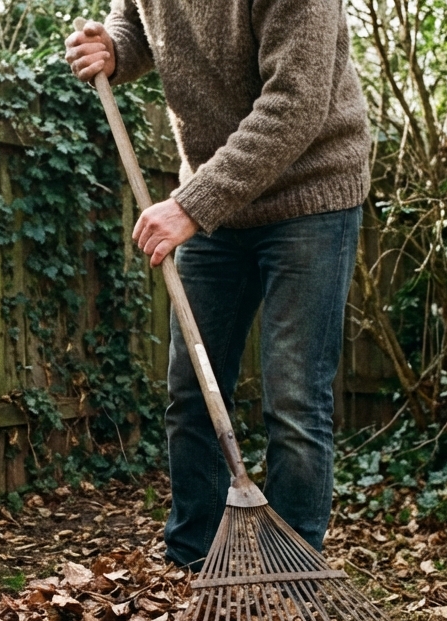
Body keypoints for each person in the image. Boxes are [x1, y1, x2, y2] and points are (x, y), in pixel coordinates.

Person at [64, 0, 371, 568]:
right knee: (192, 394)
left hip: (311, 194)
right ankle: (190, 565)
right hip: (216, 206)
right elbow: (134, 18)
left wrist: (192, 204)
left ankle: (294, 577)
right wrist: (114, 46)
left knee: (294, 401)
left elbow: (295, 103)